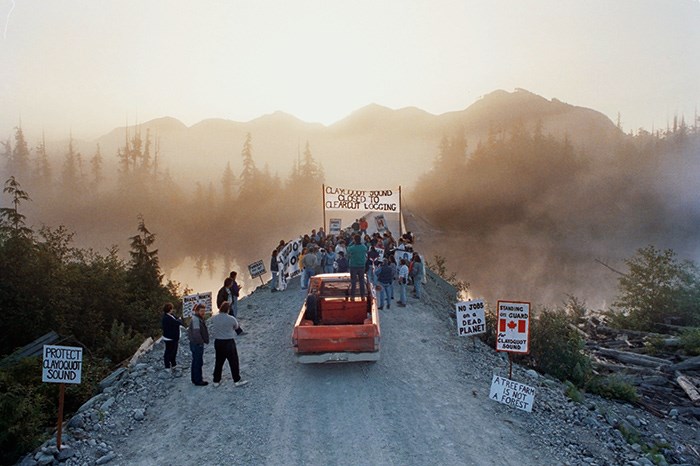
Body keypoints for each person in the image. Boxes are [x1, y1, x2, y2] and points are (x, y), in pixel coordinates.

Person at [210, 302, 249, 388]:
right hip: (228, 341)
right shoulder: (231, 319)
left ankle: (216, 380)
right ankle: (237, 380)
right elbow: (236, 327)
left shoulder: (214, 318)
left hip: (218, 342)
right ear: (228, 309)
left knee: (219, 361)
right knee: (233, 361)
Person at [187, 303, 209, 386]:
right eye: (201, 311)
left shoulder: (197, 318)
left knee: (196, 361)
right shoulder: (196, 319)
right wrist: (201, 342)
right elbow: (196, 333)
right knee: (198, 362)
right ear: (197, 311)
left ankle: (195, 379)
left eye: (204, 311)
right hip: (197, 344)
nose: (203, 312)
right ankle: (198, 380)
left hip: (195, 343)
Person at [161, 302, 185, 376]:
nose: (172, 310)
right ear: (170, 309)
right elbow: (178, 322)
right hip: (170, 338)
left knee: (173, 352)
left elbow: (177, 319)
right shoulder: (167, 318)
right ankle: (167, 366)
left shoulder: (170, 316)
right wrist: (180, 320)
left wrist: (178, 319)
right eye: (171, 308)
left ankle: (174, 365)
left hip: (172, 337)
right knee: (168, 352)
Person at [347, 234, 368, 300]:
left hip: (353, 266)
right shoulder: (363, 247)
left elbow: (348, 249)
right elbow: (366, 249)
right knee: (362, 281)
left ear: (354, 240)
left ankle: (352, 296)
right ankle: (363, 296)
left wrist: (352, 242)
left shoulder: (352, 247)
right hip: (362, 266)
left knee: (353, 281)